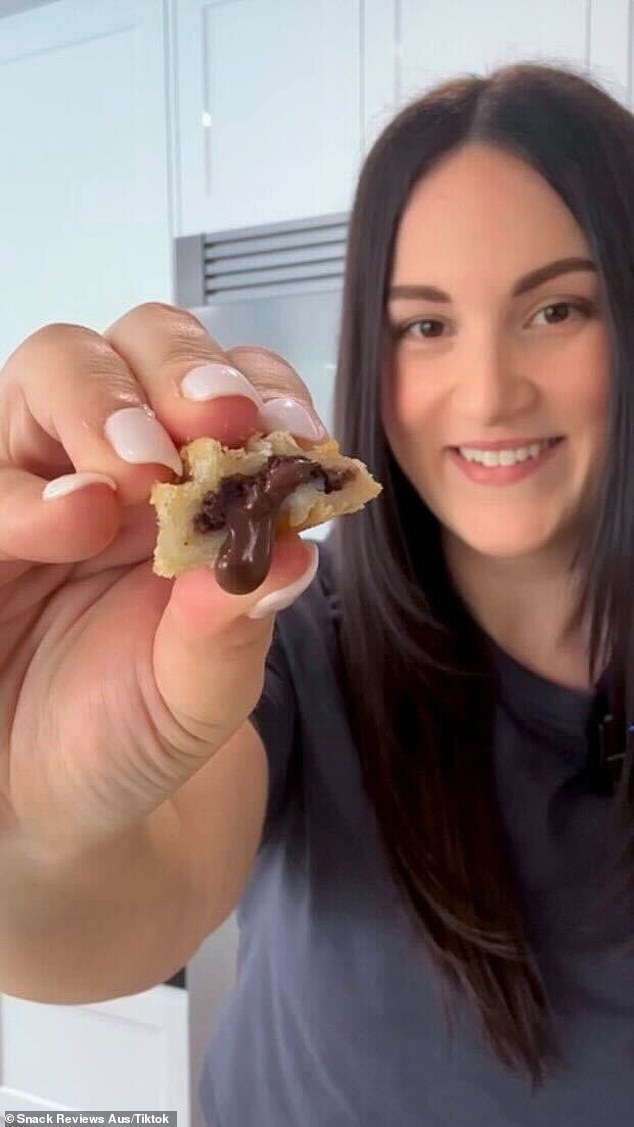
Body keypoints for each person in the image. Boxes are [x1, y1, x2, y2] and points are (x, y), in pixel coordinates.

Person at [1, 58, 633, 1125]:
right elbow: (122, 908)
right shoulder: (281, 636)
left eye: (556, 307)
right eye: (423, 325)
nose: (488, 391)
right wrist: (29, 827)